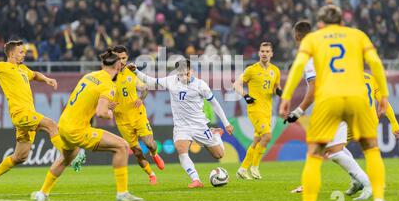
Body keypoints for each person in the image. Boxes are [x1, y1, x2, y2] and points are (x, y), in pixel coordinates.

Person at [279, 5, 396, 201]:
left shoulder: (314, 40)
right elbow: (376, 64)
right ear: (342, 21)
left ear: (321, 23)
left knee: (315, 154)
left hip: (329, 99)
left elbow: (297, 67)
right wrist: (385, 95)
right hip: (357, 97)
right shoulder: (357, 35)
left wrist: (286, 98)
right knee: (371, 148)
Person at [33, 48, 143, 201]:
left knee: (65, 158)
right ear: (118, 67)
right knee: (122, 146)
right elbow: (101, 113)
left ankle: (42, 193)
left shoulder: (89, 76)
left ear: (102, 63)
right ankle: (122, 193)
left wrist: (104, 106)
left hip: (63, 125)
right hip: (78, 129)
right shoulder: (108, 85)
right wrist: (111, 112)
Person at [0, 40, 85, 193]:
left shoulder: (22, 69)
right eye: (21, 52)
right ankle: (70, 157)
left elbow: (34, 75)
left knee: (20, 156)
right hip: (20, 114)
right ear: (12, 53)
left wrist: (47, 79)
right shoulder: (3, 66)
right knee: (51, 124)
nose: (24, 55)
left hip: (27, 115)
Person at [128, 59, 234, 188]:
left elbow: (215, 104)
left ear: (192, 71)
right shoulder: (171, 80)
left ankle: (216, 134)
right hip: (181, 126)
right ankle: (196, 180)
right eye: (181, 74)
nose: (184, 77)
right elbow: (151, 81)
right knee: (181, 150)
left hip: (199, 125)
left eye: (187, 73)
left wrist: (226, 123)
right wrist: (136, 71)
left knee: (219, 154)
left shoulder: (201, 85)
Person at [112, 45, 165, 185]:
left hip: (138, 115)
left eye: (123, 58)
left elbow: (145, 88)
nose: (121, 61)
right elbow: (101, 97)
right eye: (118, 58)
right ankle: (151, 174)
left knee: (150, 144)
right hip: (122, 120)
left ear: (127, 57)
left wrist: (140, 99)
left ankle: (154, 154)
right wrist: (108, 105)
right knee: (137, 152)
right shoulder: (109, 76)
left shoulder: (131, 72)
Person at [233, 42, 282, 180]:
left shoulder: (275, 70)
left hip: (268, 110)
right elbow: (236, 84)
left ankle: (243, 169)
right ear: (259, 53)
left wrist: (279, 92)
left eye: (267, 51)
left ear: (271, 53)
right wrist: (246, 96)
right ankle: (255, 166)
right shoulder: (252, 70)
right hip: (255, 109)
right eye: (262, 51)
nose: (264, 54)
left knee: (257, 141)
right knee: (267, 136)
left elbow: (275, 88)